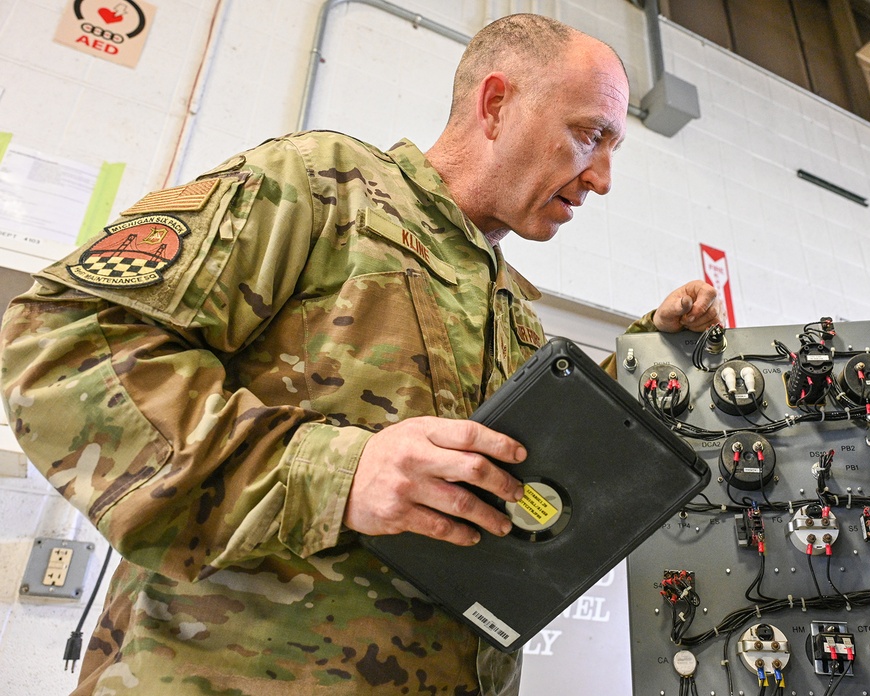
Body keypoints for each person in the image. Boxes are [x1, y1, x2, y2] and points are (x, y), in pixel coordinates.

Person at [0, 13, 719, 696]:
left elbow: (523, 471)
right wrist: (339, 473)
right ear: (496, 104)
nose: (601, 180)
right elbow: (64, 343)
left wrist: (645, 353)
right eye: (590, 136)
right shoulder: (321, 191)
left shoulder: (510, 309)